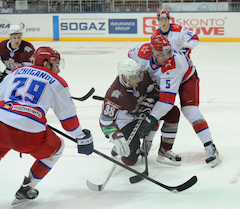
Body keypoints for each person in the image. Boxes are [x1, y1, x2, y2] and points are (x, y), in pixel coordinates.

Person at [0, 46, 94, 205]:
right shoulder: (57, 82)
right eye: (56, 64)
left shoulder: (16, 71)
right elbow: (68, 119)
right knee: (56, 149)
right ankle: (27, 188)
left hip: (2, 125)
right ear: (46, 63)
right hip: (30, 135)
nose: (59, 69)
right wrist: (81, 137)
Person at [128, 34, 221, 168]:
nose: (167, 57)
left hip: (186, 78)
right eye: (162, 54)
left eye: (169, 52)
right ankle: (146, 146)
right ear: (153, 51)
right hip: (158, 79)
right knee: (152, 108)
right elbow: (129, 60)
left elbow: (166, 102)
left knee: (190, 110)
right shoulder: (139, 51)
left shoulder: (173, 65)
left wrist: (151, 119)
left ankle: (210, 146)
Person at [99, 58, 181, 166]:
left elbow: (155, 91)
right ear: (124, 77)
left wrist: (148, 102)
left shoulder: (143, 76)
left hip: (142, 111)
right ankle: (121, 144)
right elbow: (105, 121)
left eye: (139, 75)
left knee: (173, 112)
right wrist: (116, 136)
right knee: (130, 161)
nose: (138, 79)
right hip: (126, 120)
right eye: (134, 77)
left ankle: (165, 150)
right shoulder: (114, 94)